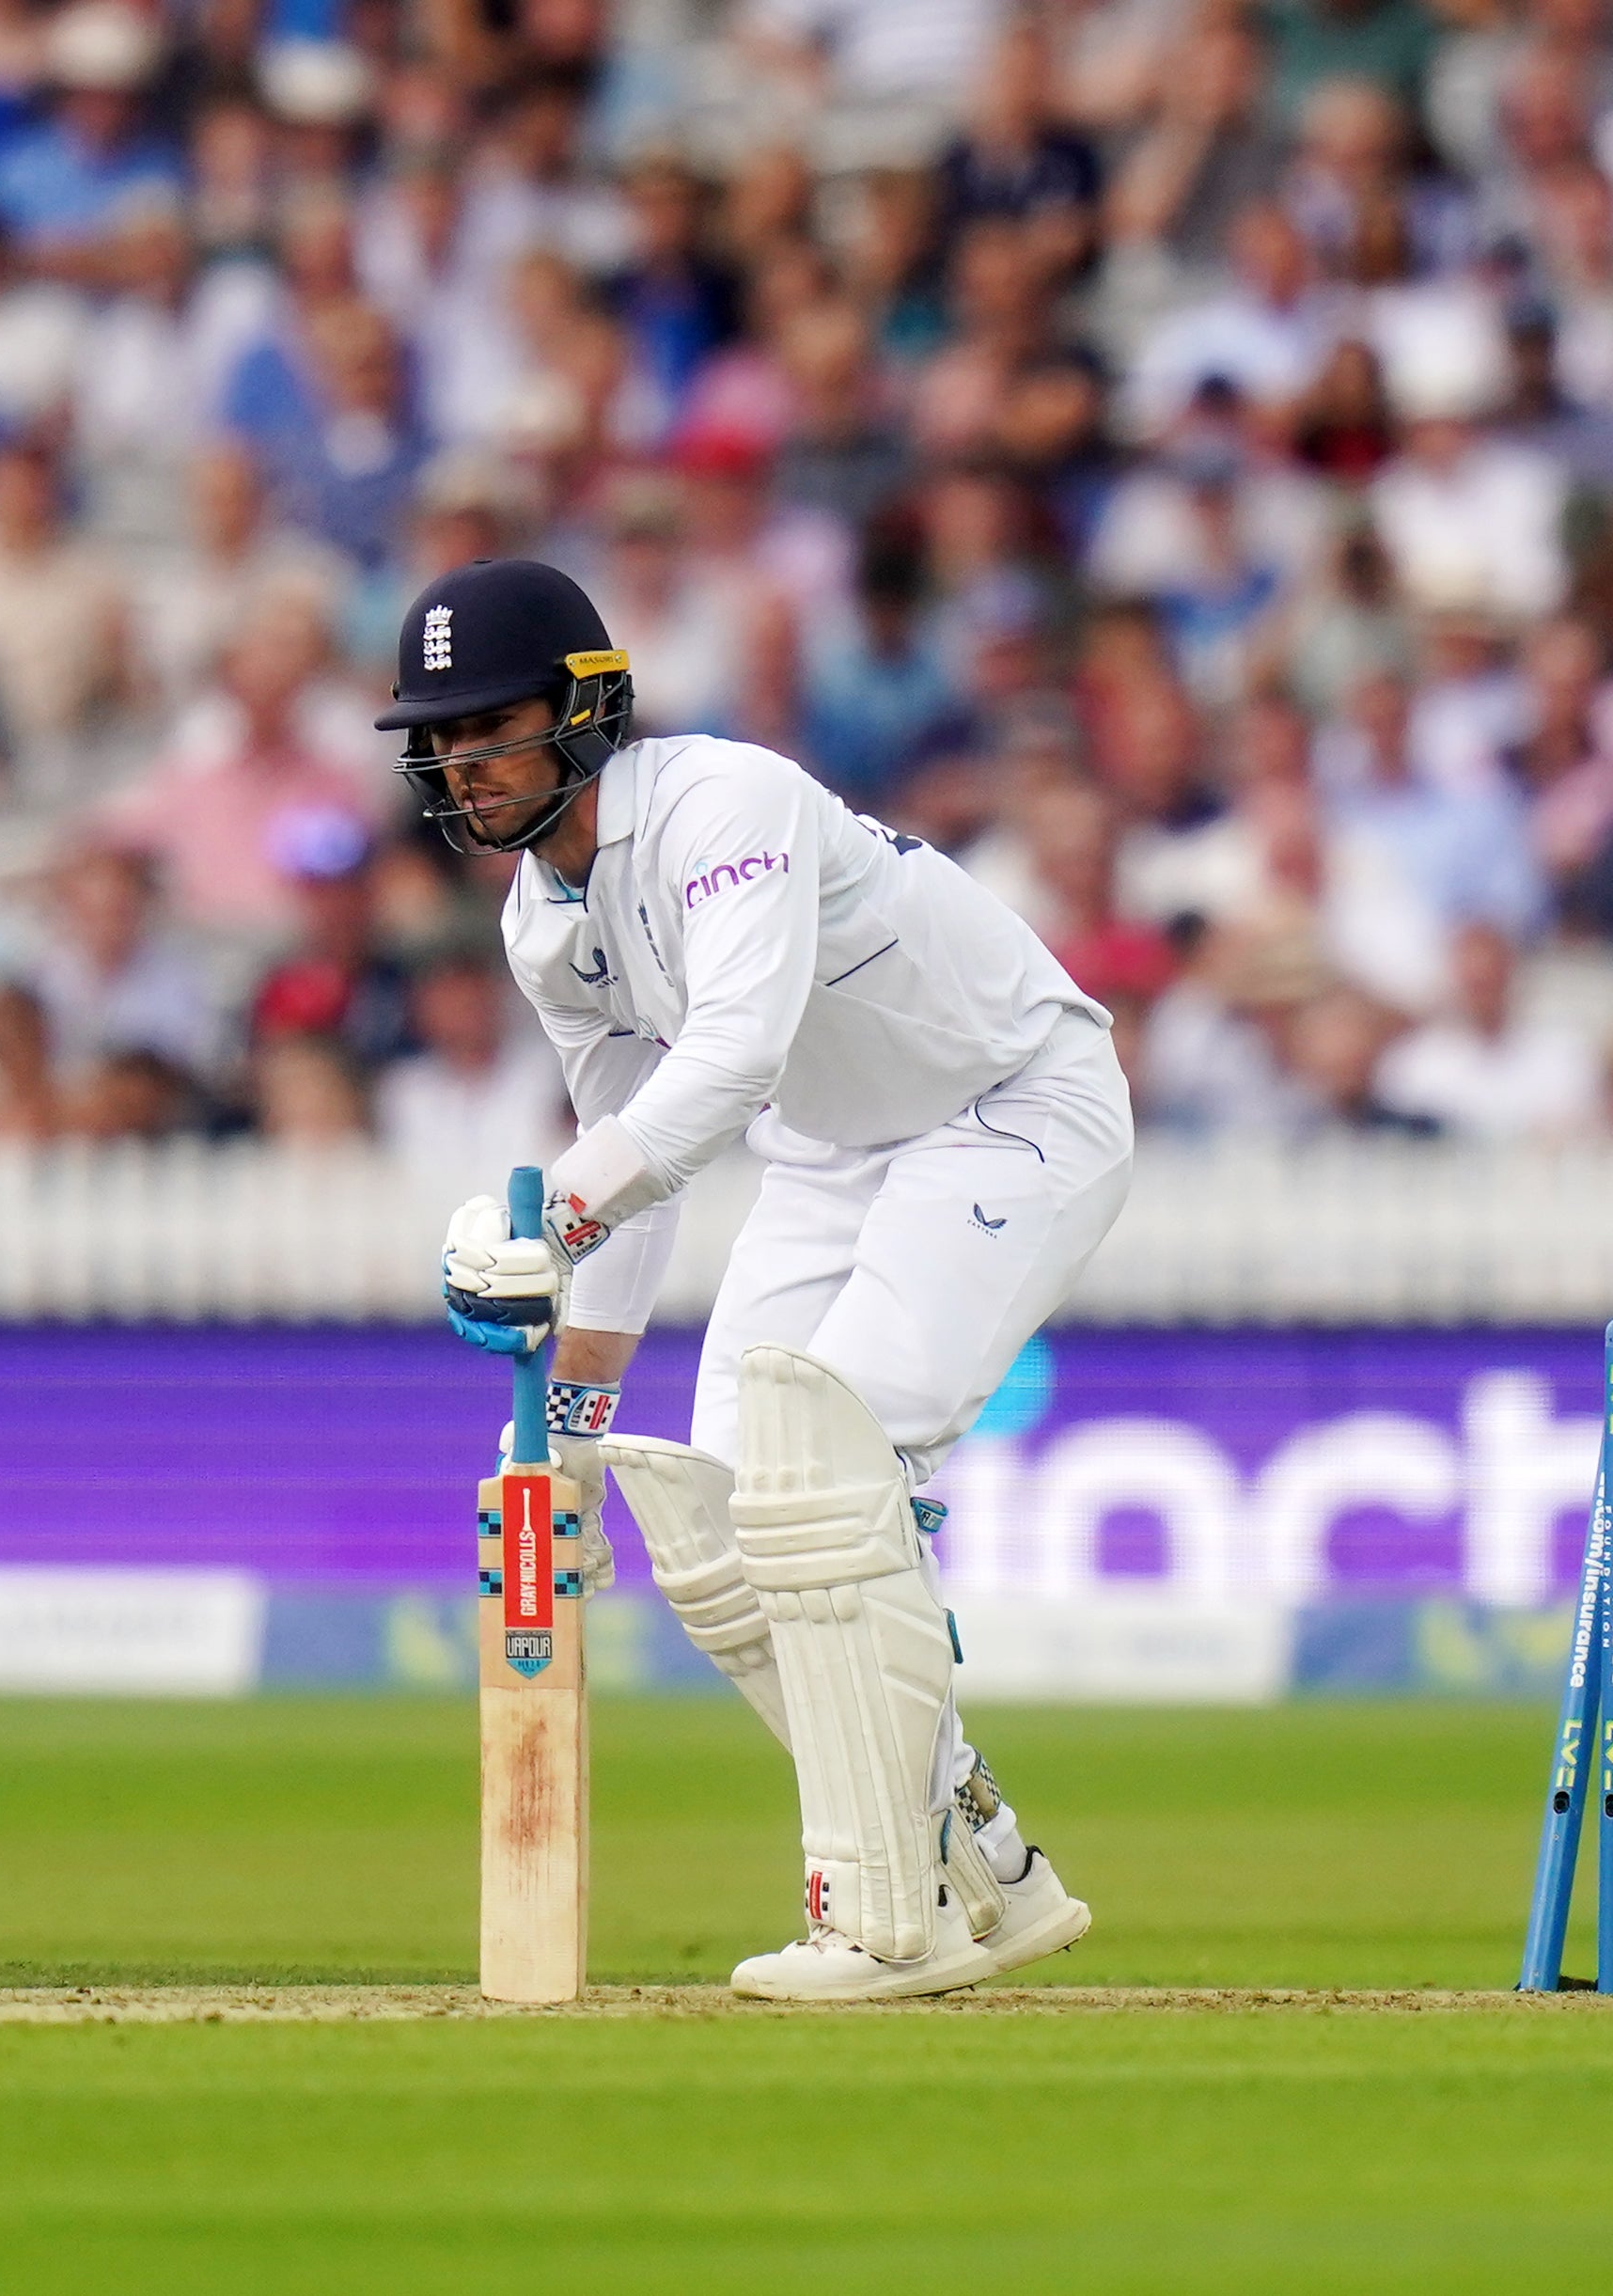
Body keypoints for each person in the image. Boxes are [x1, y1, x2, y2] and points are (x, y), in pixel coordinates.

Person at [406, 558, 1128, 2003]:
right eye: (439, 738)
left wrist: (553, 1213)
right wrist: (571, 1429)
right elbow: (639, 1163)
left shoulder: (722, 804)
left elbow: (723, 1061)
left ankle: (884, 1918)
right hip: (831, 1154)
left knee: (824, 1465)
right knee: (725, 1526)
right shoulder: (543, 923)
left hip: (1007, 1106)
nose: (460, 764)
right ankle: (982, 1857)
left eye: (490, 727)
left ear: (584, 712)